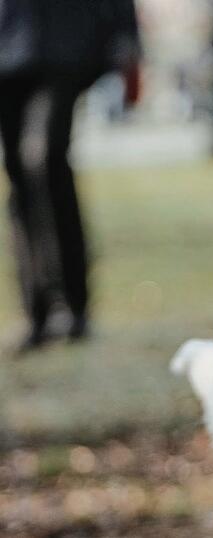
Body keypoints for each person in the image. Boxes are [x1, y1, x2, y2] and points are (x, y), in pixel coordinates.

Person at [0, 0, 139, 354]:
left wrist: (126, 39)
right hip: (7, 43)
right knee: (18, 174)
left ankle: (71, 304)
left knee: (44, 161)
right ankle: (37, 310)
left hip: (66, 43)